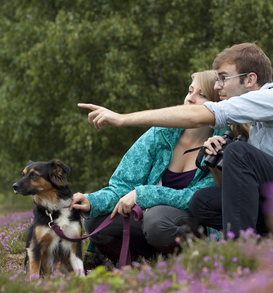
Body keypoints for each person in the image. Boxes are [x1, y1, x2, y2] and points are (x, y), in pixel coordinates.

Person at [78, 43, 273, 239]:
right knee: (204, 202)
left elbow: (202, 115)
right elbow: (241, 190)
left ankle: (237, 255)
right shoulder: (255, 127)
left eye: (223, 78)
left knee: (239, 153)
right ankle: (263, 247)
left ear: (250, 79)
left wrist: (122, 118)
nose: (218, 87)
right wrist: (217, 162)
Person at [70, 70, 229, 264]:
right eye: (190, 91)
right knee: (96, 219)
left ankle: (189, 264)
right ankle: (138, 266)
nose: (190, 99)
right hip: (149, 228)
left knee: (157, 219)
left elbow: (198, 199)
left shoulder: (222, 143)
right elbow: (124, 184)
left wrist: (144, 194)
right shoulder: (160, 133)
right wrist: (91, 200)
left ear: (218, 105)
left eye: (201, 95)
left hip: (191, 226)